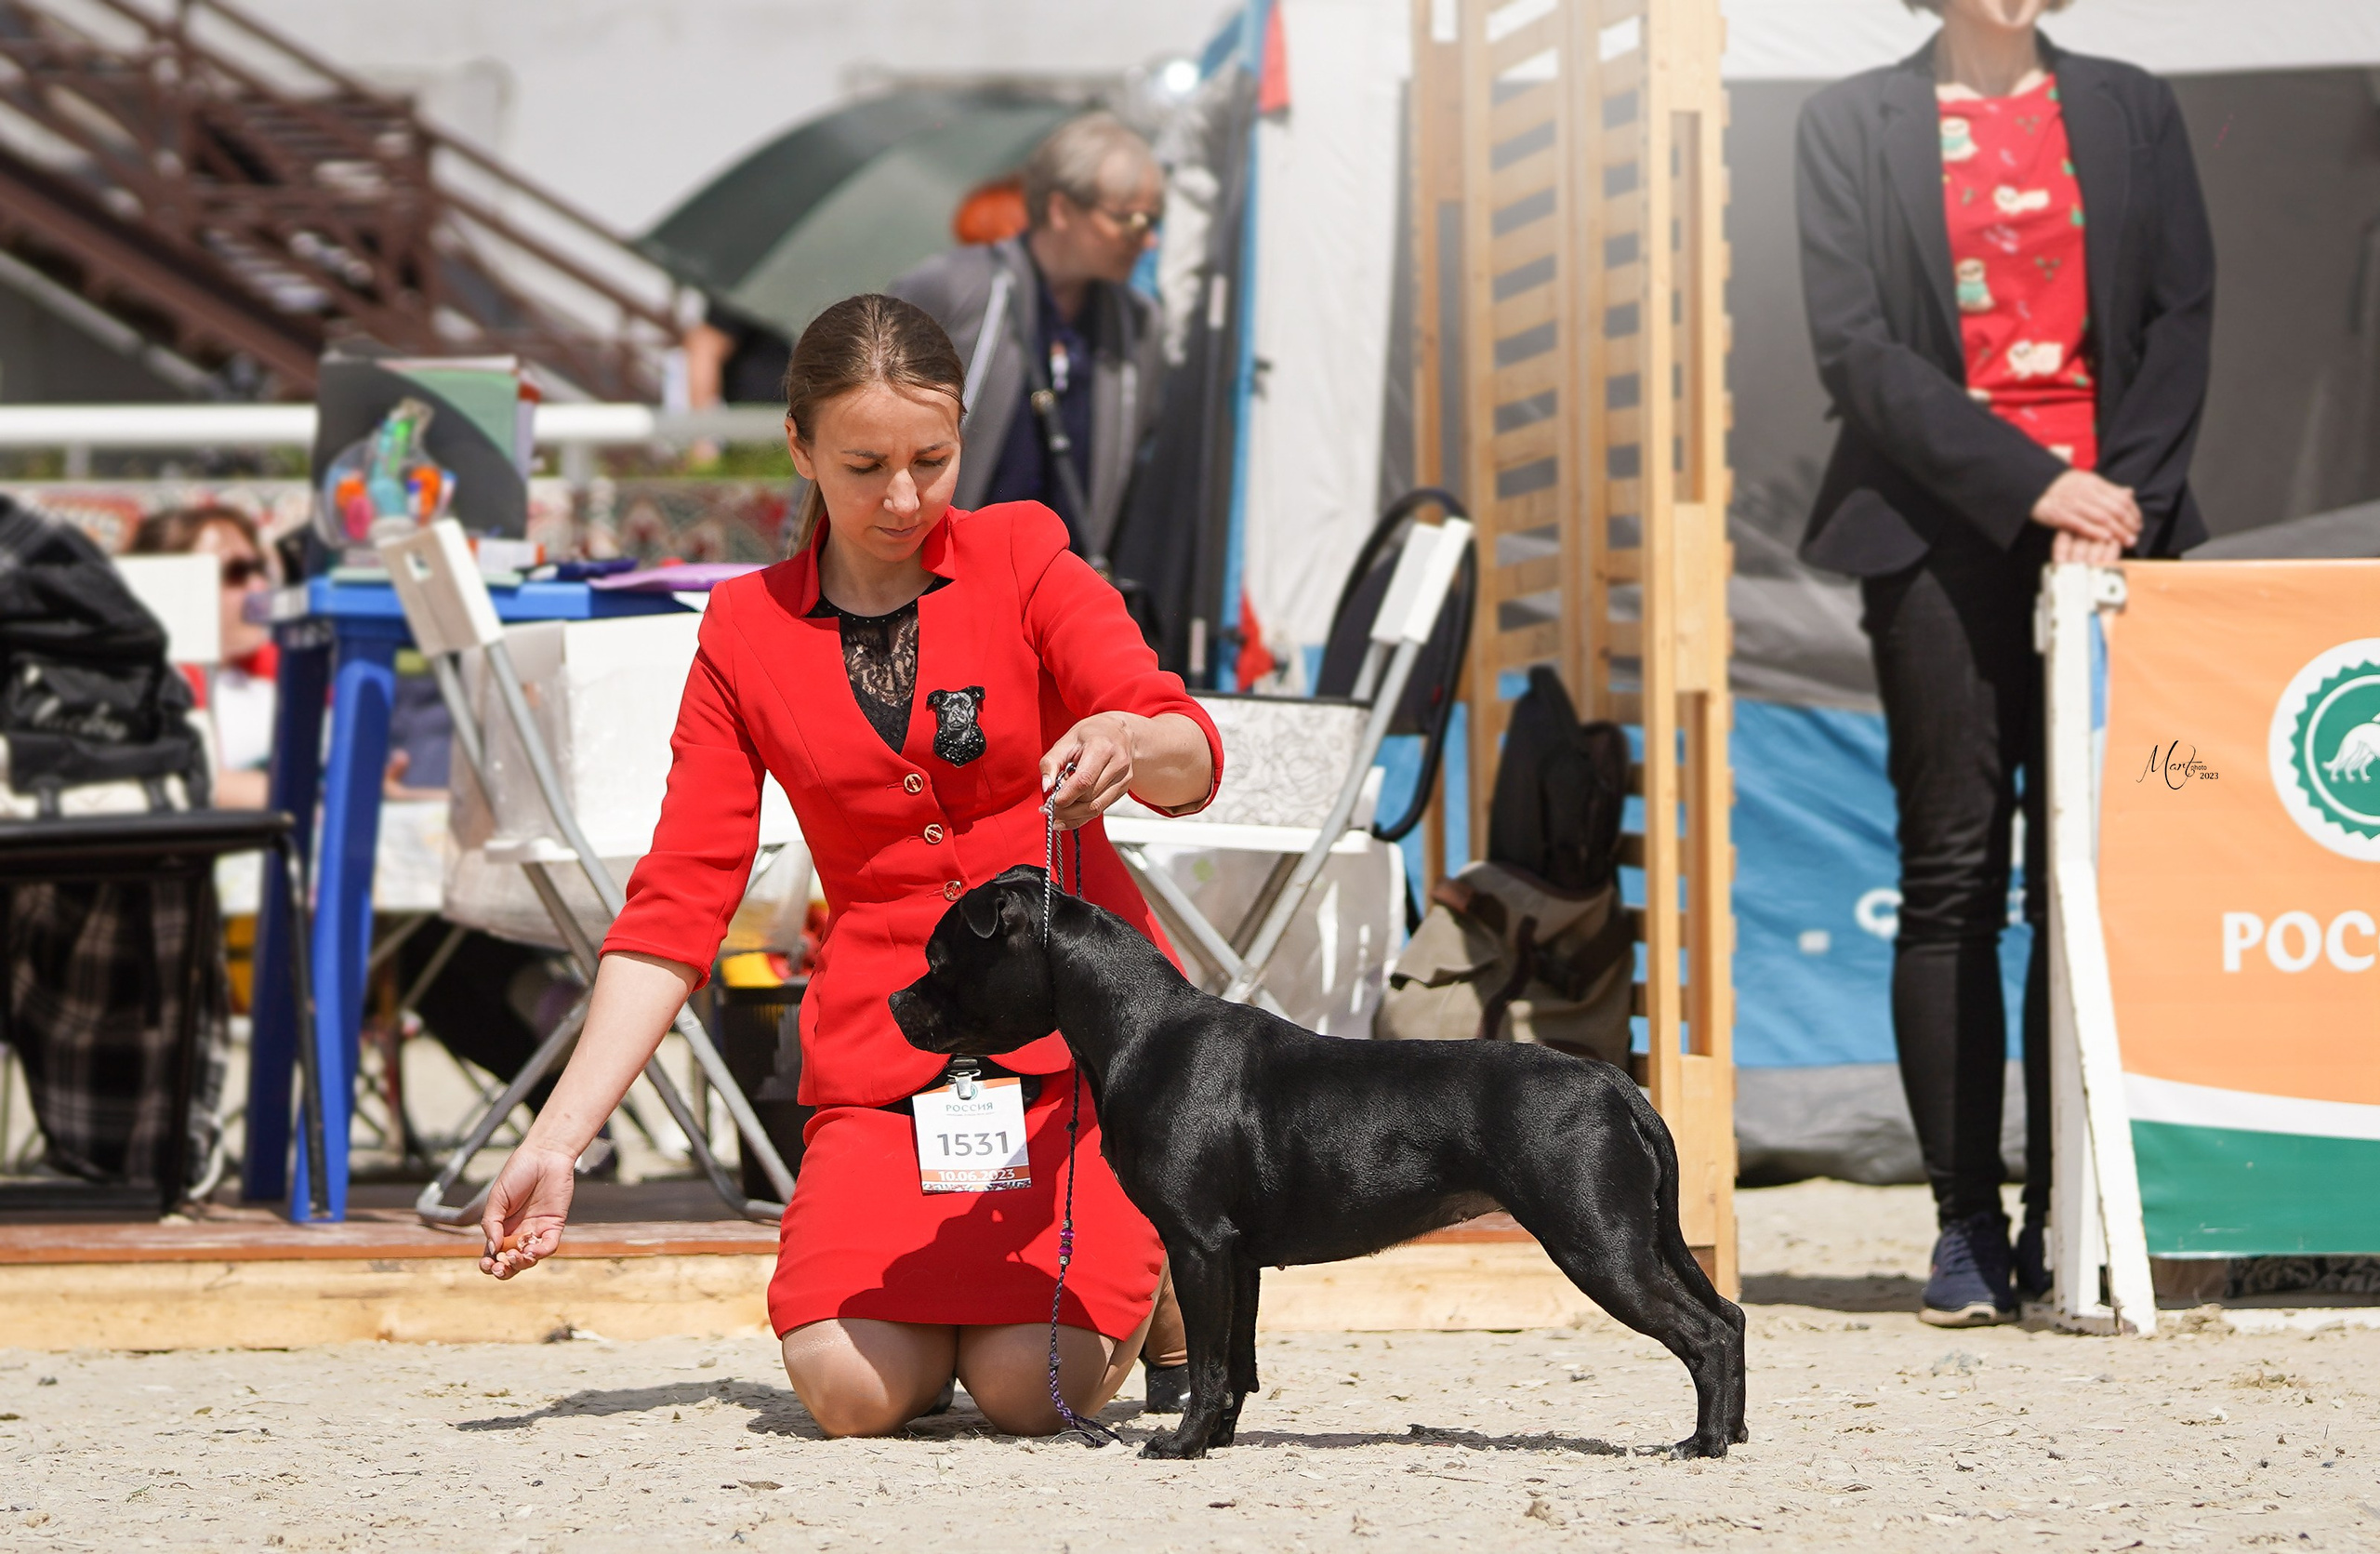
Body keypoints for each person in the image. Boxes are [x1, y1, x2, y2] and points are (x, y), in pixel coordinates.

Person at [476, 293, 1221, 1437]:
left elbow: (1185, 746)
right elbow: (680, 902)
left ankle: (1162, 1268)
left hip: (1090, 1051)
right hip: (888, 1052)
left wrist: (1128, 738)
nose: (906, 496)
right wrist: (558, 1137)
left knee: (1034, 1389)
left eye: (934, 457)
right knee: (850, 1394)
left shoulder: (1025, 553)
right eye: (865, 464)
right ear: (798, 447)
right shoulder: (741, 630)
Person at [1794, 0, 2213, 1324]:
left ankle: (2072, 1209)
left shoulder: (2133, 102)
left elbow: (2182, 314)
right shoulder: (1847, 119)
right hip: (1934, 524)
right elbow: (1857, 350)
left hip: (2117, 530)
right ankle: (1968, 1223)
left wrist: (2118, 499)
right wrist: (2038, 486)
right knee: (1955, 867)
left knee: (2087, 877)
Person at [888, 112, 1165, 569]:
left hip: (1061, 602)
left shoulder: (1139, 323)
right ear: (1060, 209)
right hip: (937, 585)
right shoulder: (951, 289)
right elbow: (845, 427)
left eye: (1152, 220)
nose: (1148, 240)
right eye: (1129, 219)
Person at [126, 504, 277, 808]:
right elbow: (158, 776)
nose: (259, 585)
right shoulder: (143, 690)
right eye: (236, 572)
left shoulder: (273, 677)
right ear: (170, 583)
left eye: (259, 567)